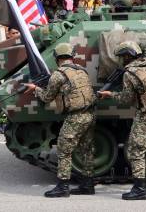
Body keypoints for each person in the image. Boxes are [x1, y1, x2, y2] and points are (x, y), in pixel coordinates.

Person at [23, 43, 97, 198]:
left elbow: (46, 97)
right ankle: (88, 184)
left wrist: (35, 89)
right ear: (71, 56)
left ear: (57, 58)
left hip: (75, 116)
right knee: (87, 150)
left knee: (64, 151)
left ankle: (63, 187)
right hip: (90, 114)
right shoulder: (82, 70)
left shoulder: (58, 74)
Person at [97, 41, 146, 200]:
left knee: (136, 150)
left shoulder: (131, 73)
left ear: (129, 55)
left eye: (123, 57)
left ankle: (139, 189)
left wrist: (110, 95)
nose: (122, 60)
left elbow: (126, 99)